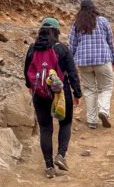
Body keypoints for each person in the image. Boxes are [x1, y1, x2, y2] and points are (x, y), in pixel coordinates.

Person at [24, 17, 82, 178]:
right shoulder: (62, 49)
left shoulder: (32, 48)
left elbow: (26, 70)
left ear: (40, 31)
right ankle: (61, 155)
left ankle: (49, 167)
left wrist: (30, 87)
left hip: (40, 93)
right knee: (65, 123)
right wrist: (77, 93)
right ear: (56, 32)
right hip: (60, 93)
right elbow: (72, 73)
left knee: (45, 129)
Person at [69, 0, 114, 130]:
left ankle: (92, 121)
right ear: (93, 8)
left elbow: (71, 46)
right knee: (106, 87)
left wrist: (69, 64)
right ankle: (103, 110)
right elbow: (110, 42)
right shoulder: (103, 21)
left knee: (90, 90)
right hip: (102, 59)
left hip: (83, 62)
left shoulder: (76, 24)